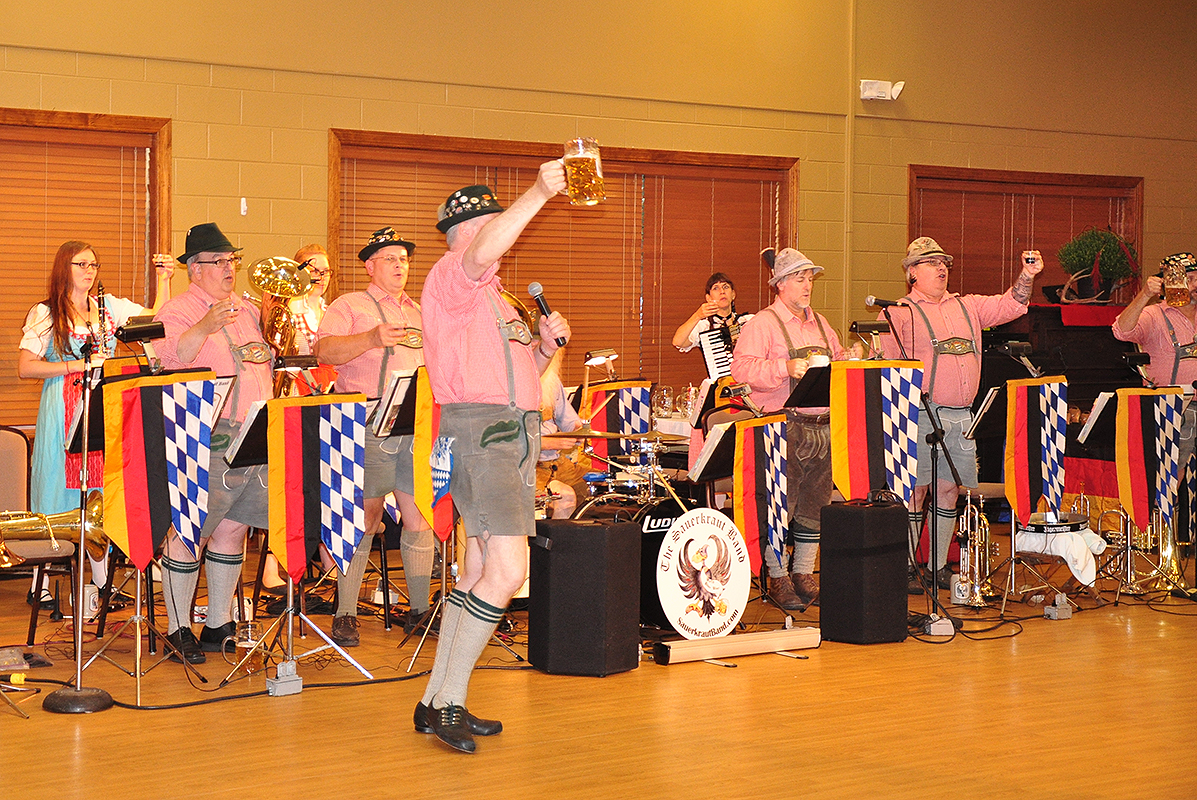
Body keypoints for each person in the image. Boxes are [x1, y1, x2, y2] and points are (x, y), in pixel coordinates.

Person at [417, 168, 572, 754]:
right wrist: (538, 193)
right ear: (465, 232)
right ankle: (449, 698)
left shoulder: (496, 300)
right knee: (507, 573)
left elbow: (519, 380)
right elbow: (484, 249)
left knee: (480, 572)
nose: (503, 239)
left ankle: (436, 700)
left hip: (510, 434)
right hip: (484, 436)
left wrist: (541, 348)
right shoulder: (450, 278)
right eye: (490, 225)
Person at [879, 236, 1043, 591]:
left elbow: (1011, 305)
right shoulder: (898, 312)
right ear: (911, 273)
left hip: (963, 415)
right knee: (916, 492)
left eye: (944, 263)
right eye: (931, 262)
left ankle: (936, 566)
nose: (941, 268)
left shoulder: (968, 306)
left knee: (949, 490)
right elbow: (887, 368)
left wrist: (1027, 275)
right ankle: (906, 567)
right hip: (921, 414)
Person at [18, 240, 173, 601]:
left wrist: (164, 280)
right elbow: (25, 367)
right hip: (63, 406)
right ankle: (39, 584)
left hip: (100, 405)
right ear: (64, 267)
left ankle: (102, 582)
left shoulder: (107, 307)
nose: (89, 271)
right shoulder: (45, 313)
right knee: (58, 490)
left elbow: (153, 319)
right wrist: (77, 365)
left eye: (94, 265)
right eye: (81, 264)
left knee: (98, 492)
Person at [153, 222, 272, 664]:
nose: (228, 268)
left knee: (234, 526)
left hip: (253, 427)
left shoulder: (246, 307)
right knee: (191, 528)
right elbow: (170, 357)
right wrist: (205, 323)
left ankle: (217, 622)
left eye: (231, 260)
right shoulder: (177, 309)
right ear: (193, 268)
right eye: (218, 261)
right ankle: (177, 626)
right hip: (207, 430)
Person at [314, 226, 435, 644]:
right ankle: (345, 611)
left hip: (414, 422)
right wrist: (370, 338)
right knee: (364, 517)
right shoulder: (349, 304)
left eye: (404, 258)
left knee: (419, 514)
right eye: (390, 258)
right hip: (365, 420)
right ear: (370, 265)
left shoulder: (420, 312)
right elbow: (323, 352)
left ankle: (419, 610)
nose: (400, 265)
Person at [731, 248, 863, 612]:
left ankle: (804, 574)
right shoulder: (762, 324)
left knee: (813, 508)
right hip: (783, 429)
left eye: (810, 279)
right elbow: (739, 370)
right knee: (779, 506)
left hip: (822, 428)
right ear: (781, 284)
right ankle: (778, 577)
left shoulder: (821, 323)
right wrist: (783, 367)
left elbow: (834, 362)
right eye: (800, 279)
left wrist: (847, 358)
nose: (807, 285)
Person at [1112, 253, 1197, 475]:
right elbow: (1122, 331)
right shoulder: (1154, 314)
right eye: (1189, 278)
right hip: (1174, 409)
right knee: (1169, 480)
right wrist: (1144, 295)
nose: (1195, 284)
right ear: (1168, 282)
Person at [536, 348, 589, 519]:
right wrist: (549, 443)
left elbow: (569, 422)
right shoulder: (509, 386)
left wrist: (578, 430)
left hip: (559, 463)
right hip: (531, 468)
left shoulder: (551, 380)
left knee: (603, 485)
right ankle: (559, 545)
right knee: (564, 497)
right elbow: (510, 440)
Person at [672, 272, 753, 353]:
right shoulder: (704, 326)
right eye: (716, 288)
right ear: (708, 298)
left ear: (733, 294)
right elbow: (678, 342)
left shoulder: (748, 321)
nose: (722, 291)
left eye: (725, 287)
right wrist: (697, 316)